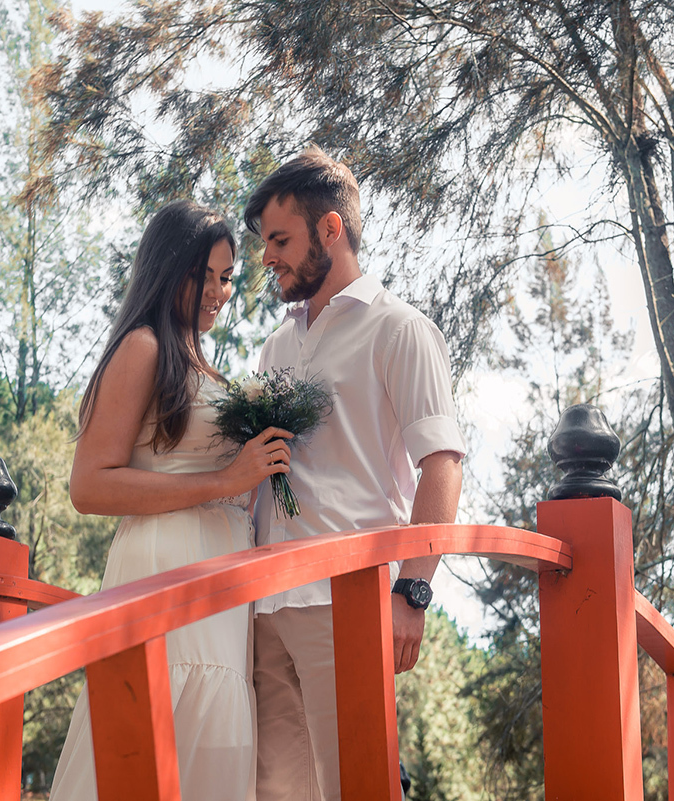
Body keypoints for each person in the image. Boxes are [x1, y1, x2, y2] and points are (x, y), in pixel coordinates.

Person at [50, 200, 292, 801]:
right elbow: (89, 485)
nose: (217, 291)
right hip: (164, 565)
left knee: (209, 748)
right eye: (202, 274)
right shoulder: (143, 347)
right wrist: (223, 481)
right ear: (167, 269)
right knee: (152, 739)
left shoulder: (199, 364)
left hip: (220, 582)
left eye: (227, 276)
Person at [245, 147, 466, 801]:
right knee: (277, 794)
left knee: (358, 786)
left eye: (280, 240)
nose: (267, 258)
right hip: (263, 604)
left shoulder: (401, 330)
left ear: (331, 230)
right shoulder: (277, 345)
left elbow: (443, 464)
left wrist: (413, 593)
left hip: (344, 606)